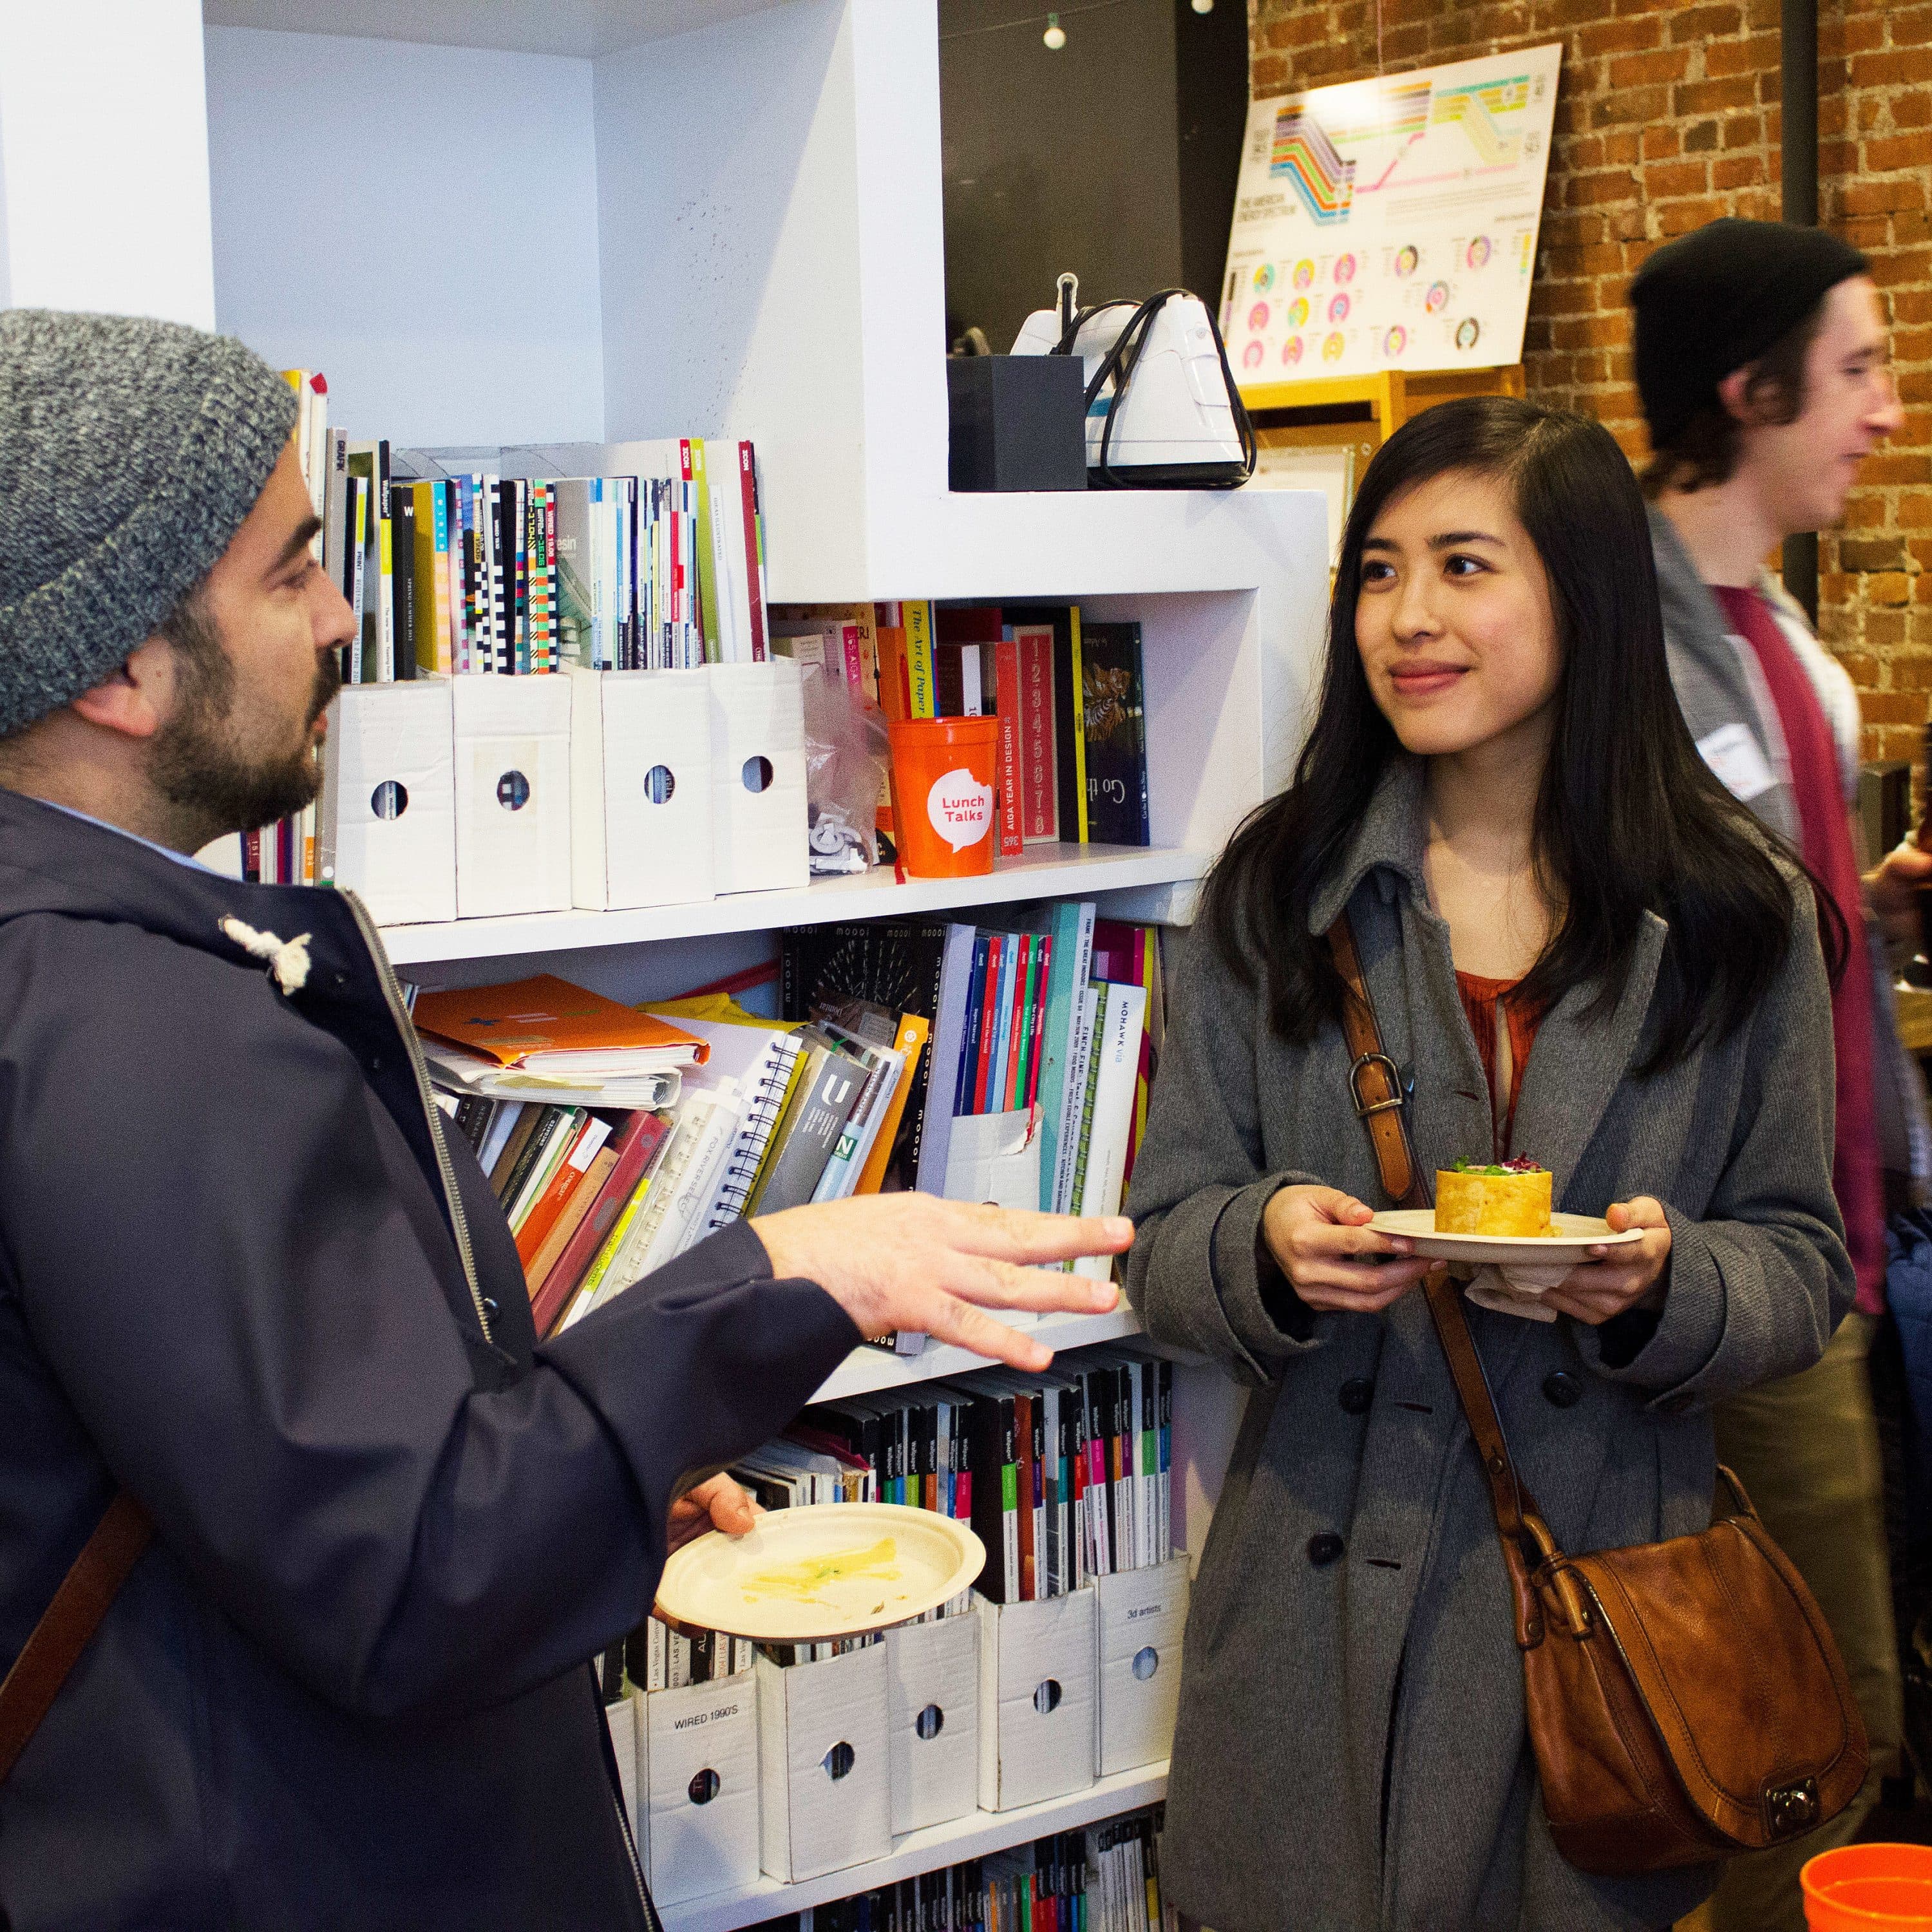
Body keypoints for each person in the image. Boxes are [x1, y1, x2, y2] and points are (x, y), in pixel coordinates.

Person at [0, 309, 1132, 1931]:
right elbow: (415, 1573)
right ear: (119, 666)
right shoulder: (134, 1026)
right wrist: (792, 1268)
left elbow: (264, 1485)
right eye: (291, 571)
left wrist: (603, 1471)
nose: (338, 620)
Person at [1125, 395, 1851, 1932]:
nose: (1409, 620)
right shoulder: (1282, 889)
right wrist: (1264, 1249)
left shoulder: (1733, 915)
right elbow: (1162, 1236)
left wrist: (1663, 1285)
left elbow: (1802, 1261)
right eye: (1379, 573)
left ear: (1582, 598)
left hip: (1591, 1615)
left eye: (1465, 567)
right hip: (1313, 1614)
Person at [1631, 217, 1932, 1931]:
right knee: (1809, 1750)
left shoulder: (1771, 639)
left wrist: (1863, 914)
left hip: (1856, 1244)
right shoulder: (1643, 650)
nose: (1886, 411)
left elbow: (1765, 930)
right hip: (1759, 1272)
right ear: (1750, 391)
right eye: (1860, 369)